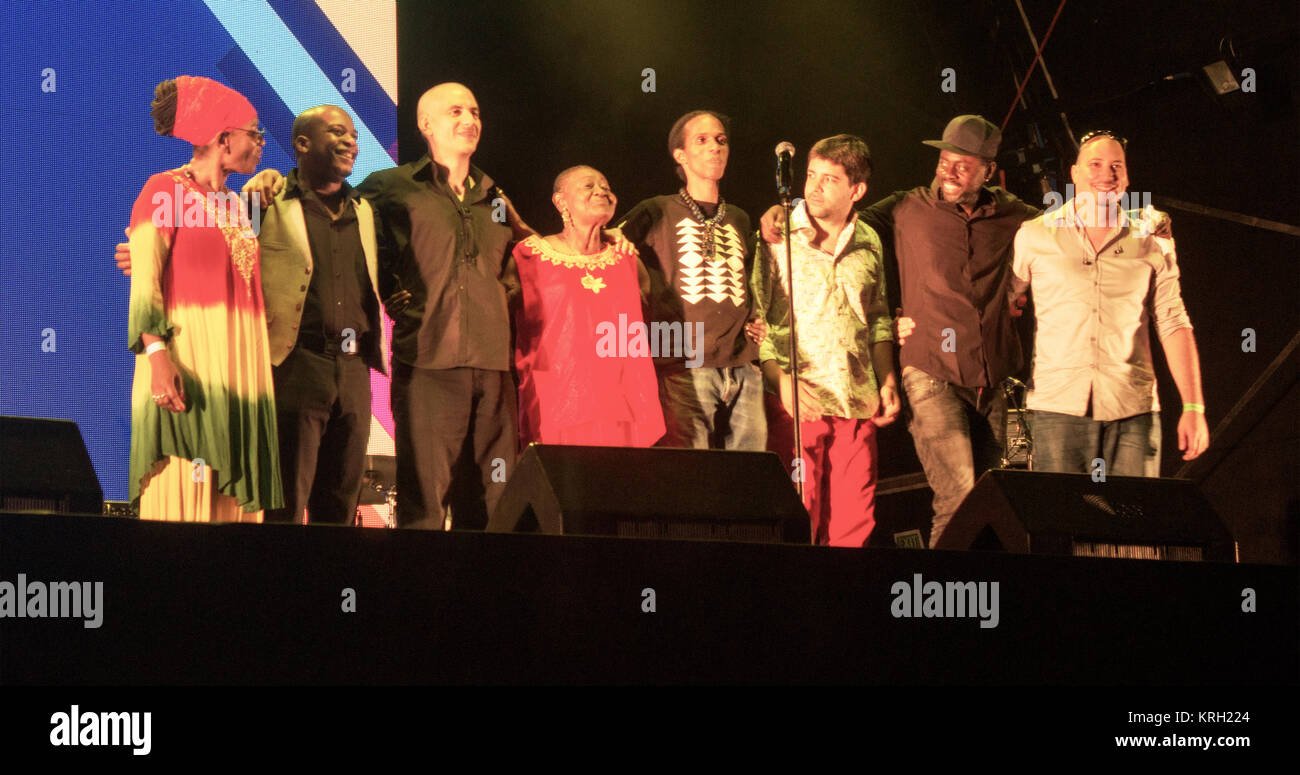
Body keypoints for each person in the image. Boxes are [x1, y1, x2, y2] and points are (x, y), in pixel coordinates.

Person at [761, 114, 1037, 548]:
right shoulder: (905, 208)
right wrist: (781, 210)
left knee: (993, 499)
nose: (948, 171)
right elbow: (836, 221)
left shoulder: (1014, 215)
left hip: (989, 378)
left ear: (988, 170)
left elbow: (1067, 232)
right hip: (927, 372)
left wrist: (1141, 222)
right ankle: (945, 602)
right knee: (958, 493)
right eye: (944, 160)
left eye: (963, 165)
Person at [118, 105, 392, 525]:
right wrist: (140, 255)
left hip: (351, 371)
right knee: (281, 502)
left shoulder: (365, 210)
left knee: (339, 501)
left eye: (354, 133)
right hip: (294, 365)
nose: (352, 141)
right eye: (338, 132)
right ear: (302, 144)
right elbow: (206, 249)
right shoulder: (266, 201)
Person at [126, 76, 282, 521]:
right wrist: (157, 357)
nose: (261, 144)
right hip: (187, 365)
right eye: (256, 134)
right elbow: (145, 283)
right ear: (223, 138)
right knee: (185, 504)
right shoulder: (164, 190)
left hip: (239, 371)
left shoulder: (237, 206)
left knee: (230, 514)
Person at [1010, 130, 1209, 475]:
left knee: (1133, 522)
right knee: (1062, 522)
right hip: (1056, 408)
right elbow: (1004, 302)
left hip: (1134, 410)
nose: (1107, 174)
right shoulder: (1035, 234)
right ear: (1073, 172)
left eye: (1117, 166)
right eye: (1096, 164)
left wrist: (1194, 406)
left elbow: (1174, 320)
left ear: (1127, 177)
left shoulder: (1152, 240)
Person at [753, 135, 899, 547]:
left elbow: (878, 317)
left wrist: (888, 378)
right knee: (799, 520)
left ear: (857, 190)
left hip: (856, 402)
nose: (813, 186)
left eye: (829, 179)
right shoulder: (776, 233)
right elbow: (757, 319)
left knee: (854, 528)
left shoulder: (869, 240)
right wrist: (781, 382)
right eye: (811, 174)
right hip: (800, 402)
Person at [616, 110, 767, 451]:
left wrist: (759, 319)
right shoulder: (657, 209)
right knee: (689, 471)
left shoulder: (740, 218)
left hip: (742, 362)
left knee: (751, 472)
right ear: (680, 155)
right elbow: (606, 242)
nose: (715, 146)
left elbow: (754, 278)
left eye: (721, 140)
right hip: (683, 364)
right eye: (702, 140)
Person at [505, 166, 664, 447]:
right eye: (588, 186)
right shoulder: (529, 257)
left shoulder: (629, 260)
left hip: (624, 412)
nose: (601, 191)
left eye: (605, 185)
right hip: (556, 409)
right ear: (560, 201)